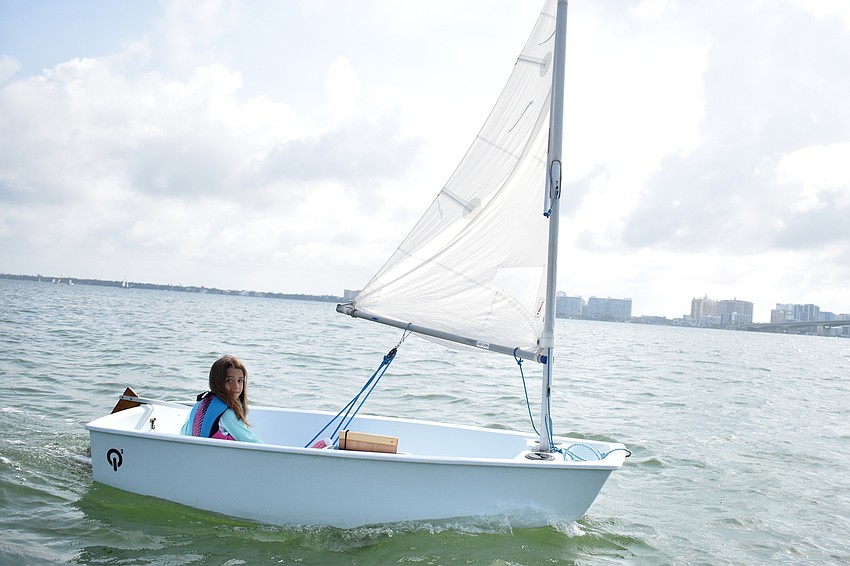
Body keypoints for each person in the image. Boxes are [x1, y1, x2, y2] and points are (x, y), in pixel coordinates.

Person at [180, 355, 263, 443]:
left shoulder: (199, 404)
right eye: (229, 381)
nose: (236, 386)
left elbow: (183, 433)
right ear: (217, 382)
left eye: (240, 381)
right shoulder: (227, 412)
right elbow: (249, 440)